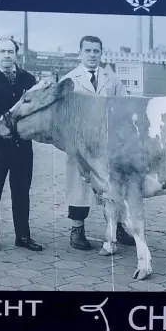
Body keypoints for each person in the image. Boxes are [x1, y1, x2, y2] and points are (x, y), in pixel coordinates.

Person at [61, 35, 136, 251]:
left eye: (96, 51)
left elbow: (124, 106)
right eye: (88, 51)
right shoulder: (69, 80)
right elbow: (62, 114)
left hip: (107, 143)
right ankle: (77, 229)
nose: (92, 55)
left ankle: (119, 227)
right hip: (80, 143)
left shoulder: (111, 79)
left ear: (101, 53)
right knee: (79, 186)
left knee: (114, 186)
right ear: (80, 53)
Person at [0, 37, 43, 253]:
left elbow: (36, 108)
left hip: (22, 146)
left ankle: (23, 236)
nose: (6, 56)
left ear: (16, 54)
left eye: (10, 52)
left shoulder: (28, 79)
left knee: (22, 192)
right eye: (2, 52)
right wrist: (1, 119)